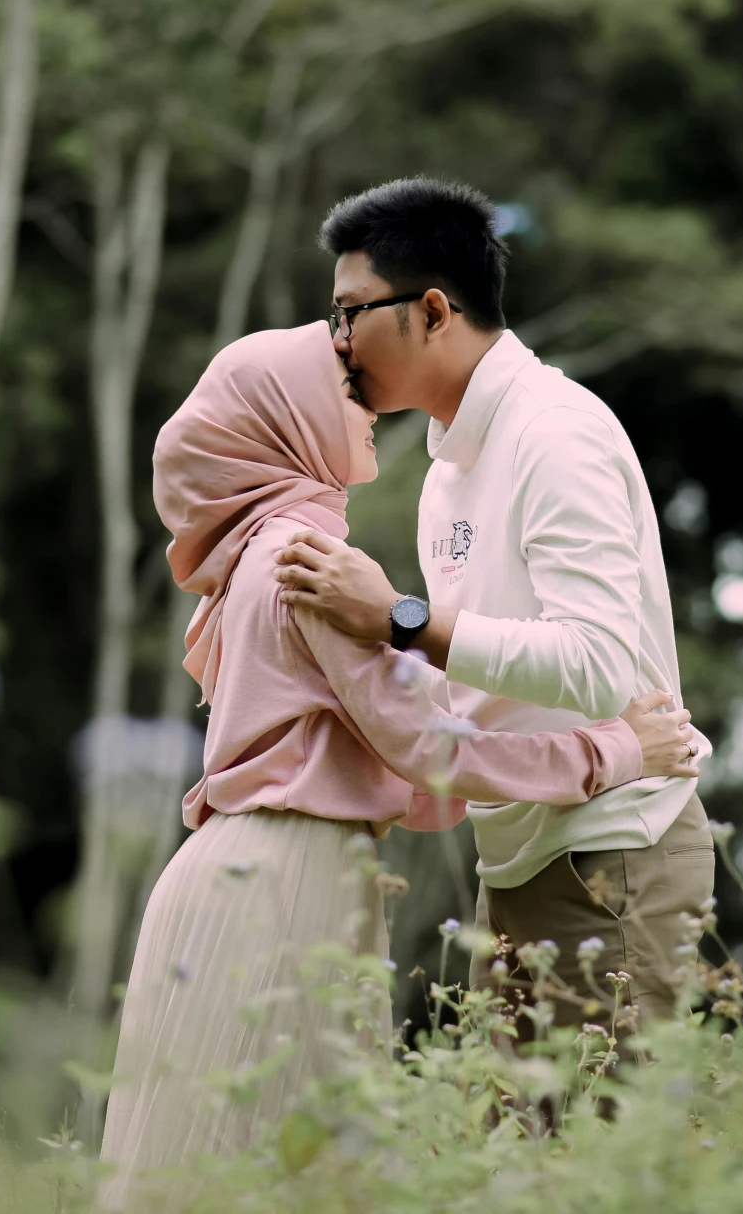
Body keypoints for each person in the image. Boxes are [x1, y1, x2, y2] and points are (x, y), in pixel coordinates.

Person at [99, 322, 697, 1208]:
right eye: (344, 389)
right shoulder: (306, 563)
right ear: (285, 421)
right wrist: (613, 749)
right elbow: (429, 747)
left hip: (233, 869)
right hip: (285, 873)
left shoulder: (253, 559)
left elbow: (402, 734)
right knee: (287, 1159)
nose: (370, 397)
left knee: (225, 1157)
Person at [277, 177, 715, 1035]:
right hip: (516, 855)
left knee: (599, 1154)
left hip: (611, 846)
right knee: (515, 1153)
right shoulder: (447, 470)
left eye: (353, 311)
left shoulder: (556, 433)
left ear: (434, 311)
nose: (336, 343)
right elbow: (477, 685)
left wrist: (402, 618)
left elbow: (596, 666)